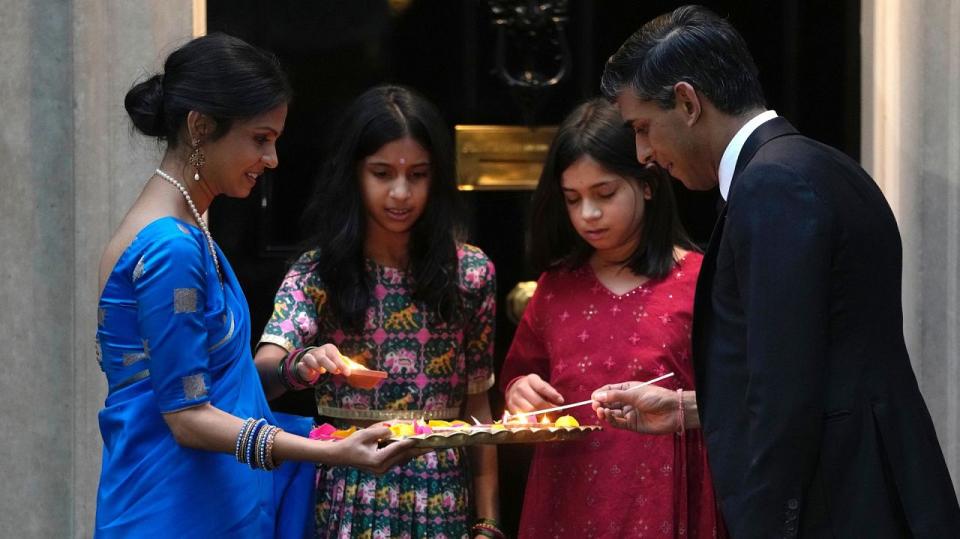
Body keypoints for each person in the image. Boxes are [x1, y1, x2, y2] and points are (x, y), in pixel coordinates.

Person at [592, 5, 960, 537]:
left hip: (839, 504)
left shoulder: (771, 185)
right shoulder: (823, 165)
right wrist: (689, 409)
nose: (643, 152)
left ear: (687, 101)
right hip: (876, 488)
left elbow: (785, 395)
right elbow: (816, 364)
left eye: (643, 128)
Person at [94, 34, 418, 538]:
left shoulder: (187, 230)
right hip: (175, 510)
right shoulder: (170, 246)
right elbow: (188, 417)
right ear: (201, 126)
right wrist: (328, 451)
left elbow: (208, 383)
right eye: (260, 138)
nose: (272, 159)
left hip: (196, 500)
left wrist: (294, 370)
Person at [254, 85, 502, 539]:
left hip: (441, 493)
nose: (401, 193)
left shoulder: (470, 273)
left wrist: (488, 522)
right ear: (353, 174)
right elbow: (262, 376)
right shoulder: (319, 272)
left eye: (419, 175)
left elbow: (478, 405)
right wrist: (300, 364)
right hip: (348, 489)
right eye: (382, 173)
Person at [499, 98, 724, 538]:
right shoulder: (555, 287)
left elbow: (739, 397)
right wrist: (518, 391)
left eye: (604, 194)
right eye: (573, 199)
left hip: (665, 491)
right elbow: (520, 376)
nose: (588, 214)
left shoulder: (700, 281)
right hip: (566, 493)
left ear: (646, 184)